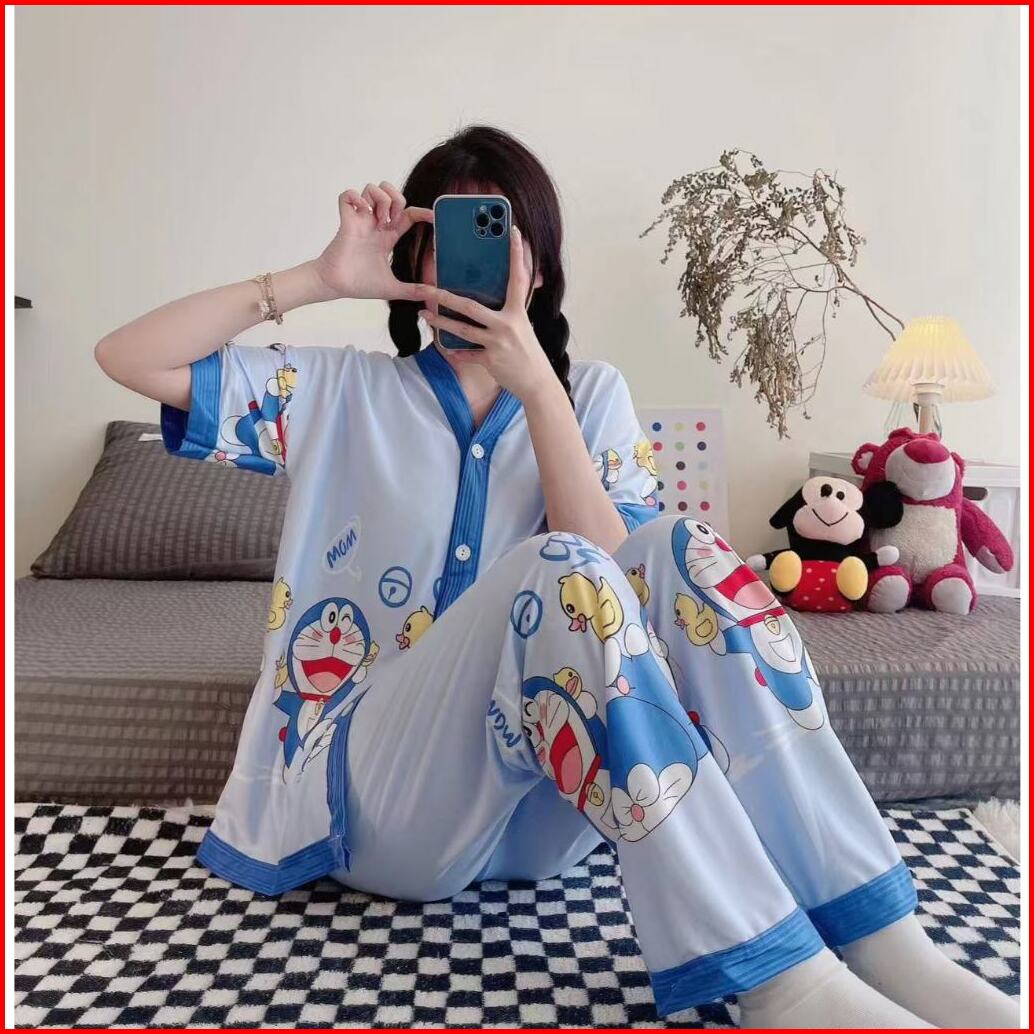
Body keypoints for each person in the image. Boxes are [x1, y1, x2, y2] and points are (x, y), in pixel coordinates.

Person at [95, 124, 1017, 1029]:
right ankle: (786, 990)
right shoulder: (342, 392)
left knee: (683, 547)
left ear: (538, 269)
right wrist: (319, 279)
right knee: (557, 568)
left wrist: (541, 391)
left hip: (548, 823)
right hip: (380, 809)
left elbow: (630, 579)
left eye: (499, 241)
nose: (475, 268)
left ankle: (886, 941)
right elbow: (128, 358)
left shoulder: (591, 397)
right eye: (446, 243)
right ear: (413, 263)